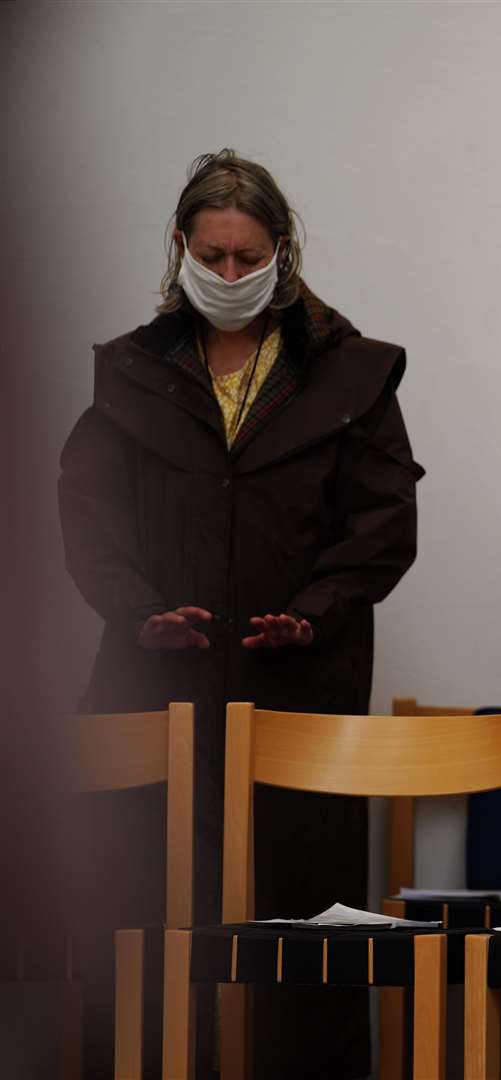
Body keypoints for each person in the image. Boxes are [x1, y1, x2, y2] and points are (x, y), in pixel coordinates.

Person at [58, 149, 422, 1078]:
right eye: (211, 255)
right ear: (179, 248)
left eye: (247, 256)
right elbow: (89, 519)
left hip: (301, 695)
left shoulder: (352, 372)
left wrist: (313, 611)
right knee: (139, 931)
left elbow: (383, 525)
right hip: (155, 698)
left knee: (306, 937)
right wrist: (139, 613)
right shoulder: (130, 373)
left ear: (283, 252)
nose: (228, 275)